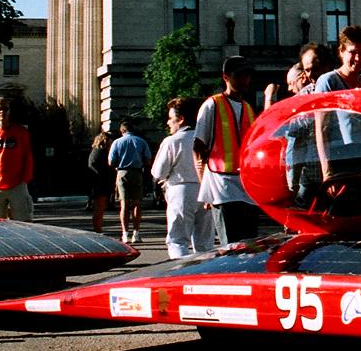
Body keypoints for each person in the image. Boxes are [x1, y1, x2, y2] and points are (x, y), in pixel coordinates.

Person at [194, 56, 259, 244]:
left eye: (247, 76)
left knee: (249, 244)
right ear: (226, 77)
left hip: (246, 186)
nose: (245, 80)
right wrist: (203, 186)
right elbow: (199, 148)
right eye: (239, 76)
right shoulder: (212, 105)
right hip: (221, 185)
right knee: (231, 245)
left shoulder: (248, 108)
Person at [312, 25, 361, 184]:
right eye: (353, 52)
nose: (358, 58)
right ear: (341, 52)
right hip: (339, 159)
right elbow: (321, 129)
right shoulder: (328, 82)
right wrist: (327, 172)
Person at [152, 96, 210, 257]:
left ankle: (180, 272)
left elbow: (158, 172)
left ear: (181, 119)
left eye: (171, 119)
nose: (168, 123)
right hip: (206, 190)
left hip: (181, 189)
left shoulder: (172, 141)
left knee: (177, 240)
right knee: (205, 241)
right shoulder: (206, 138)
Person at [108, 120, 153, 244]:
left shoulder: (117, 142)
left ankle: (125, 234)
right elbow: (148, 160)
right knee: (137, 203)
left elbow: (111, 162)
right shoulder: (141, 142)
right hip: (137, 172)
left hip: (122, 172)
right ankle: (136, 233)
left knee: (124, 204)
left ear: (122, 131)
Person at [87, 130, 115, 234]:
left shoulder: (98, 151)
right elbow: (93, 165)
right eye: (110, 140)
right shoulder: (99, 152)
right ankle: (97, 229)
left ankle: (98, 229)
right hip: (100, 183)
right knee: (99, 208)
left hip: (99, 182)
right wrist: (105, 174)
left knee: (101, 208)